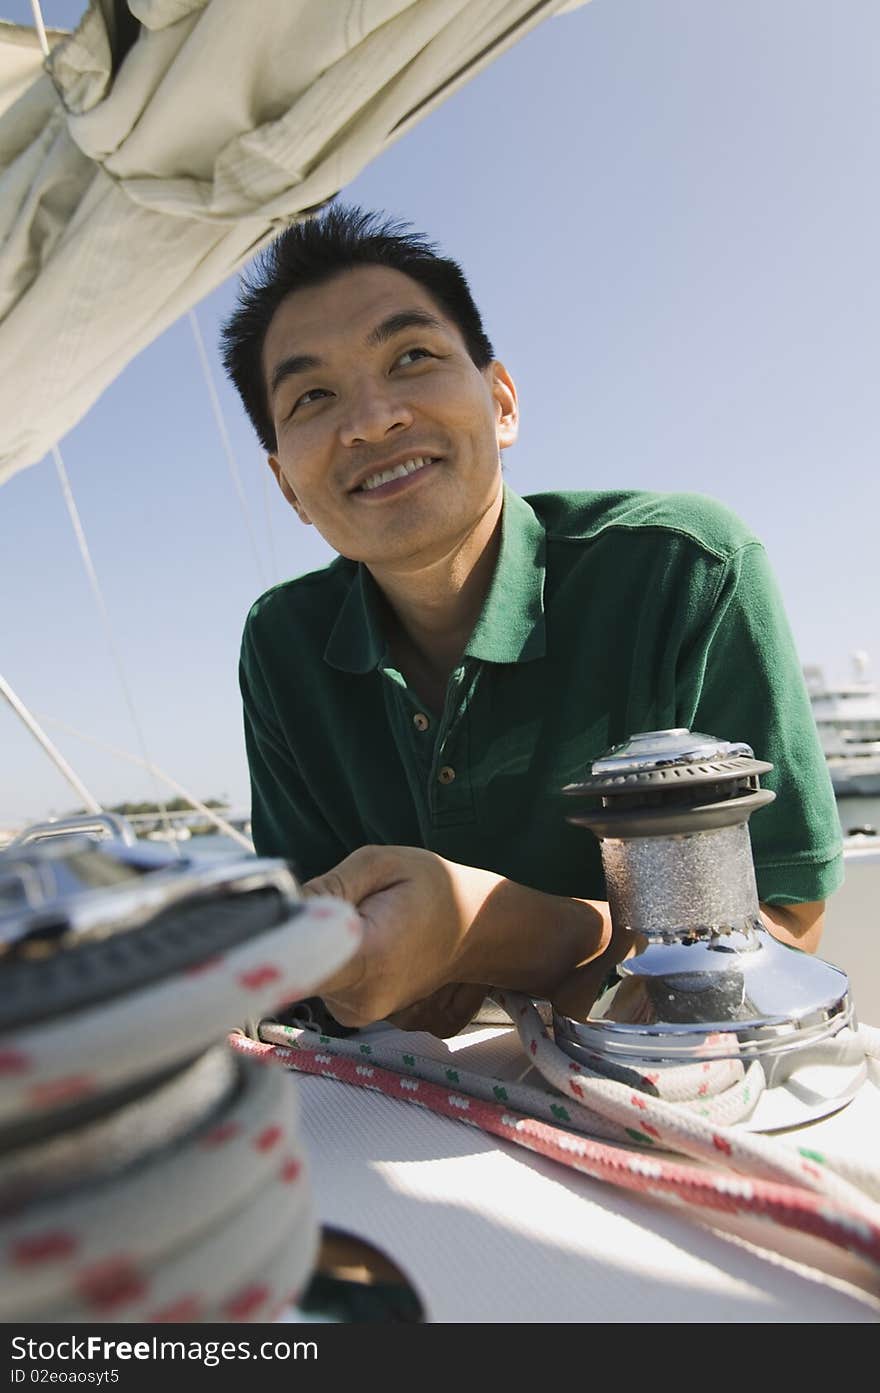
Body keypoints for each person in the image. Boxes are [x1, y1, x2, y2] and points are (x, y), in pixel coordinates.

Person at [220, 204, 843, 1038]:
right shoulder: (281, 646)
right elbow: (312, 964)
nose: (371, 419)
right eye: (313, 396)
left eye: (412, 357)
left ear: (502, 401)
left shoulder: (685, 571)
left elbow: (785, 932)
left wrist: (494, 933)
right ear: (287, 486)